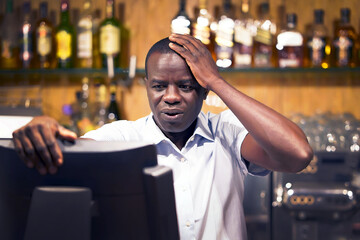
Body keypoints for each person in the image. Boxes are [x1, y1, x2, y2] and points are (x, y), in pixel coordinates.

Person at [12, 34, 313, 240]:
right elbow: (68, 153)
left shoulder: (227, 132)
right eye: (158, 87)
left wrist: (217, 80)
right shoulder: (125, 136)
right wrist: (43, 127)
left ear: (203, 90)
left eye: (185, 86)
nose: (170, 97)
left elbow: (298, 153)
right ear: (147, 86)